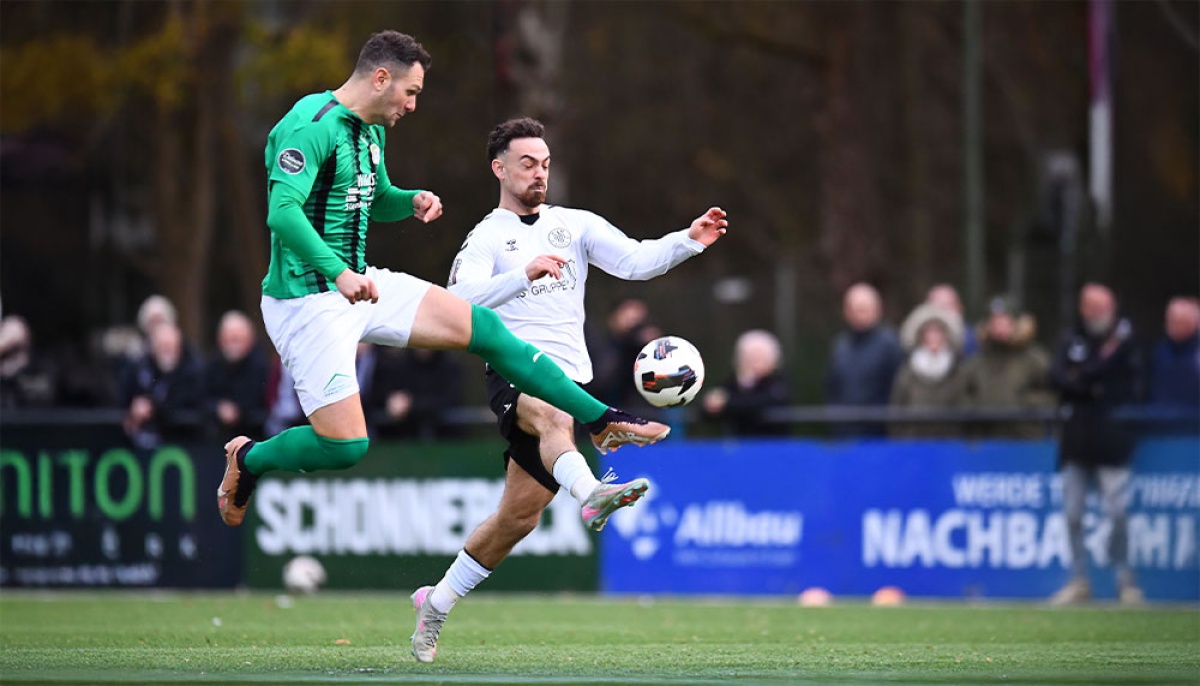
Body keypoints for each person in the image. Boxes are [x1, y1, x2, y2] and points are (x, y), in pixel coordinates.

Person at [217, 32, 669, 529]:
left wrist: (407, 201)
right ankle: (250, 460)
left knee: (485, 329)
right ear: (381, 78)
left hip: (360, 286)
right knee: (345, 446)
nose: (412, 105)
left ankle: (601, 421)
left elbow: (374, 195)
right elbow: (282, 214)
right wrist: (339, 273)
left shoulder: (371, 131)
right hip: (306, 301)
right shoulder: (309, 124)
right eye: (410, 93)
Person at [409, 117, 727, 663]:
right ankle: (593, 493)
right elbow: (456, 302)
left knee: (517, 519)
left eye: (545, 164)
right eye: (528, 163)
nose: (539, 173)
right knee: (553, 414)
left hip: (571, 377)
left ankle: (435, 602)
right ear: (500, 168)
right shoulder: (487, 235)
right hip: (515, 371)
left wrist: (687, 241)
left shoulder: (573, 224)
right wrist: (522, 274)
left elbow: (634, 260)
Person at [1049, 283, 1144, 605]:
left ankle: (1125, 580)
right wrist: (1092, 379)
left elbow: (1129, 386)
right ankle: (1079, 581)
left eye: (1103, 305)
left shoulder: (1127, 341)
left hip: (1112, 440)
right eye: (1091, 305)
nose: (1097, 312)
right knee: (1073, 514)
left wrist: (1084, 380)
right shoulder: (1071, 339)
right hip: (1076, 439)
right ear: (1082, 308)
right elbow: (1058, 379)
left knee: (1117, 511)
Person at [960, 296, 1055, 438]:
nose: (999, 327)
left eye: (1005, 321)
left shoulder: (1035, 359)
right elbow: (962, 395)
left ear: (1017, 323)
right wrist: (980, 406)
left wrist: (1022, 402)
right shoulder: (976, 361)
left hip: (1025, 440)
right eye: (995, 322)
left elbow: (1052, 395)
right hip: (986, 441)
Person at [825, 283, 905, 436]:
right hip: (844, 436)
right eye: (853, 309)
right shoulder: (840, 346)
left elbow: (897, 392)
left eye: (863, 309)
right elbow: (832, 387)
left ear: (877, 309)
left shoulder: (891, 344)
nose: (857, 314)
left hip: (879, 436)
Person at [119, 322, 205, 450]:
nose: (168, 351)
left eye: (172, 346)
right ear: (153, 347)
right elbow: (121, 399)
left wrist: (151, 409)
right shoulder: (139, 368)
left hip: (183, 445)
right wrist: (132, 411)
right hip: (140, 447)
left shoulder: (193, 369)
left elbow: (188, 404)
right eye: (163, 346)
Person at [888, 303, 969, 438]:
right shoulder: (907, 373)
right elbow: (897, 412)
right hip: (914, 444)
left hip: (950, 446)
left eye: (938, 332)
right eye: (929, 332)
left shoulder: (958, 371)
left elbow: (965, 410)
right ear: (921, 337)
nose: (934, 337)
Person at [701, 329, 791, 436]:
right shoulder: (733, 384)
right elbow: (706, 410)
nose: (754, 363)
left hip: (774, 447)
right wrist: (711, 404)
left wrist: (727, 403)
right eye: (749, 358)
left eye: (760, 358)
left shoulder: (778, 383)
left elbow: (759, 404)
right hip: (737, 449)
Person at [366, 347, 465, 440]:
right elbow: (387, 395)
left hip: (445, 438)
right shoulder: (399, 365)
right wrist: (392, 401)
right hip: (406, 438)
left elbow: (448, 399)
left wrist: (411, 405)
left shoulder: (450, 366)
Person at [204, 310, 269, 438]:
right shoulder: (212, 366)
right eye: (230, 338)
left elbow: (263, 403)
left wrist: (240, 411)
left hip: (253, 436)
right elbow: (203, 398)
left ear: (250, 339)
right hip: (217, 437)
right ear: (220, 339)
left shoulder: (261, 367)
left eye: (238, 339)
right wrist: (218, 408)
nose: (233, 344)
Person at [1147, 296, 1200, 409]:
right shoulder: (1159, 349)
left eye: (1180, 322)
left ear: (1194, 323)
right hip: (1159, 417)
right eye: (1171, 321)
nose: (1173, 326)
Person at [926, 283, 978, 357]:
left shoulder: (971, 339)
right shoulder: (919, 340)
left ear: (959, 307)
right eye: (937, 309)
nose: (942, 315)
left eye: (947, 307)